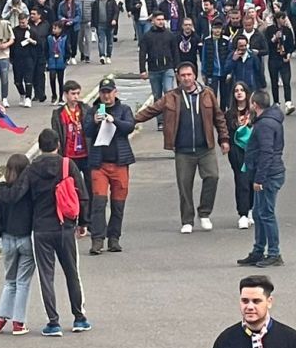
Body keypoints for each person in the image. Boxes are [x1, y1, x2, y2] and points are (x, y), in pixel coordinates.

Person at [0, 128, 92, 337]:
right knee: (72, 272)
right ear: (58, 144)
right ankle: (79, 318)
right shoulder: (68, 164)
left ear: (39, 146)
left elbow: (16, 194)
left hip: (41, 229)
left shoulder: (32, 169)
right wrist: (83, 222)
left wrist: (1, 188)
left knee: (46, 276)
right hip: (64, 226)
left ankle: (53, 322)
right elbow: (82, 194)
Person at [135, 62, 229, 234]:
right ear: (178, 77)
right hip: (183, 150)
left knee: (213, 177)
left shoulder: (207, 94)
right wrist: (131, 120)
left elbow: (219, 117)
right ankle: (187, 220)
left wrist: (224, 139)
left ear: (195, 75)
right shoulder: (172, 96)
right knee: (184, 185)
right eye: (183, 75)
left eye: (189, 75)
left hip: (205, 147)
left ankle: (204, 213)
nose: (186, 78)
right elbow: (152, 110)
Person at [84, 77, 136, 255]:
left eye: (109, 92)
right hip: (99, 164)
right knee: (99, 202)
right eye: (103, 92)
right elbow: (86, 131)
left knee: (118, 203)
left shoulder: (124, 109)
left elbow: (130, 126)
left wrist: (114, 120)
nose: (106, 96)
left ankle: (114, 238)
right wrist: (95, 121)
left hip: (120, 162)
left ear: (115, 92)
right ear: (100, 94)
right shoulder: (93, 111)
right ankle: (97, 239)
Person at [0, 153, 35, 336]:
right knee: (23, 282)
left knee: (10, 281)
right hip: (26, 238)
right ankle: (18, 323)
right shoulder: (29, 192)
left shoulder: (1, 190)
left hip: (7, 238)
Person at [238, 91, 286, 268]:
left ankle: (274, 252)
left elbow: (266, 152)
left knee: (266, 213)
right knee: (259, 212)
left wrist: (259, 178)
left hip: (268, 174)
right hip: (269, 172)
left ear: (255, 105)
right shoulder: (267, 121)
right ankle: (259, 250)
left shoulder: (265, 125)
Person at [225, 82, 255, 233]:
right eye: (236, 90)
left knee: (252, 181)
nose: (239, 93)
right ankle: (242, 213)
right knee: (241, 181)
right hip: (237, 152)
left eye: (242, 90)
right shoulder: (230, 114)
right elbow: (226, 134)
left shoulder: (254, 112)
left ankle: (251, 209)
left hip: (253, 151)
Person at [139, 11, 179, 112]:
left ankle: (170, 117)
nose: (161, 22)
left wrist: (177, 67)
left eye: (162, 20)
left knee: (168, 92)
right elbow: (142, 53)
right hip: (154, 70)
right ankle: (160, 121)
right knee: (157, 96)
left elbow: (175, 52)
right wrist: (142, 70)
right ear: (153, 21)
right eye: (158, 20)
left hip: (168, 68)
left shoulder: (170, 35)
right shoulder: (147, 36)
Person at [51, 80, 91, 179]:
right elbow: (57, 136)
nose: (76, 97)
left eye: (78, 93)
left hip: (85, 154)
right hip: (69, 155)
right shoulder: (59, 114)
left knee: (89, 185)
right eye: (73, 94)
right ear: (65, 94)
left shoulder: (85, 109)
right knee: (71, 184)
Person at [265, 11, 296, 114]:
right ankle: (276, 102)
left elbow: (292, 44)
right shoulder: (270, 30)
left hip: (284, 59)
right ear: (278, 19)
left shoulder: (287, 30)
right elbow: (266, 45)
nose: (285, 21)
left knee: (286, 81)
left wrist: (289, 54)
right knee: (274, 81)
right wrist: (274, 39)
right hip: (273, 58)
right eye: (283, 18)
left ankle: (288, 102)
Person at [45, 22, 69, 102]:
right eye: (53, 28)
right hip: (51, 60)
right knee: (52, 77)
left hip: (61, 61)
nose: (53, 30)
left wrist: (66, 58)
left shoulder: (64, 38)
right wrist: (47, 59)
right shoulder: (49, 38)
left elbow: (67, 48)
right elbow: (46, 49)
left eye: (55, 28)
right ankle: (54, 94)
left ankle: (61, 97)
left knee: (60, 80)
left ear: (60, 29)